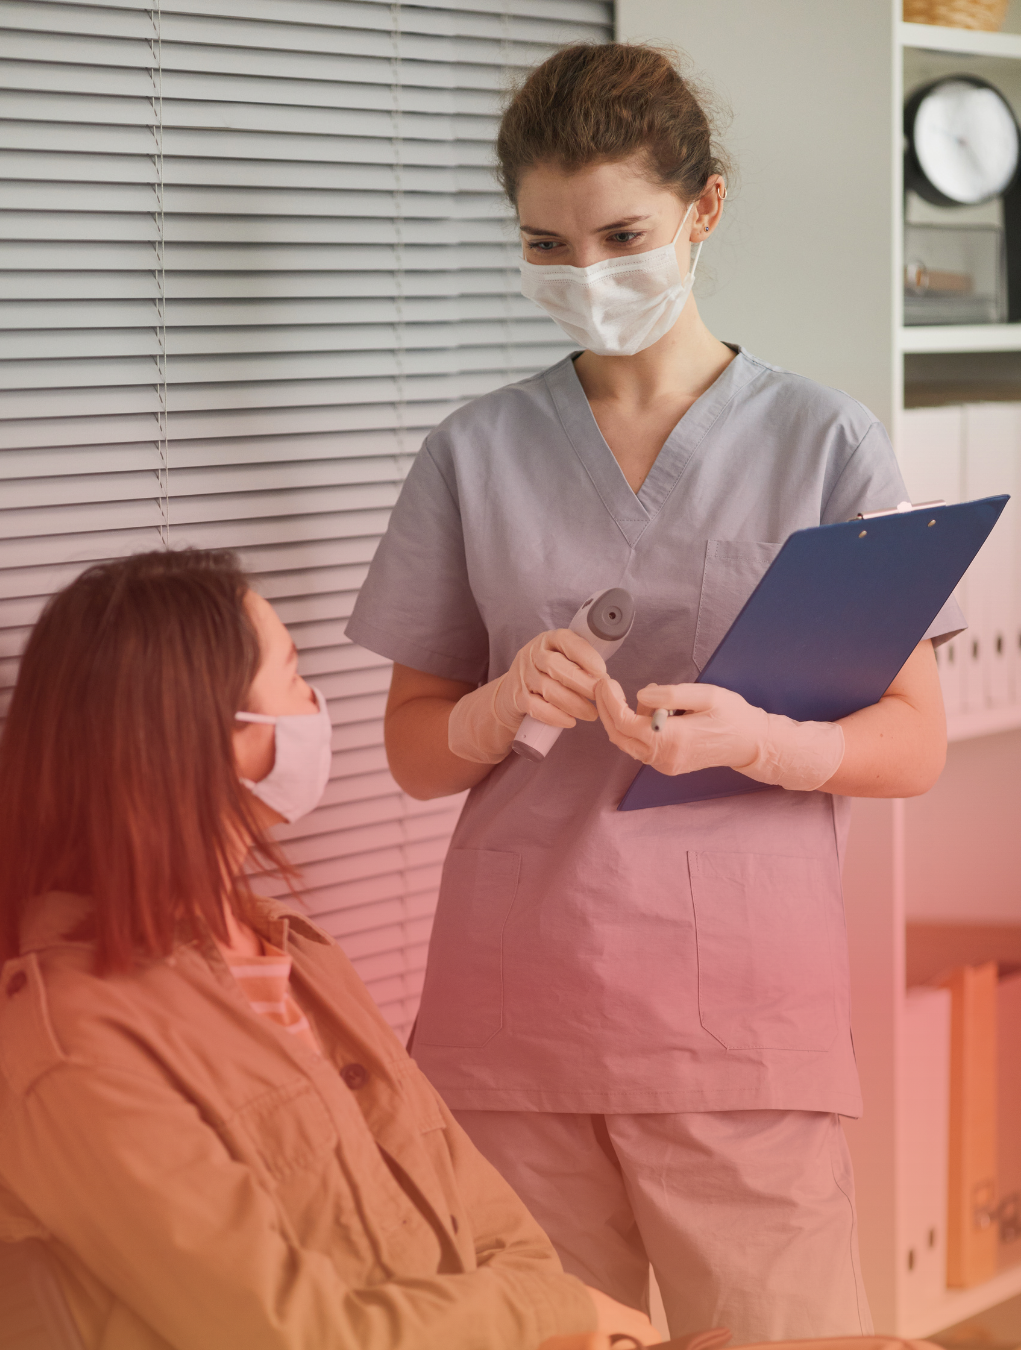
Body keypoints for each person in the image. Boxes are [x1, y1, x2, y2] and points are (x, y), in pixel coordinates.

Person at [344, 42, 965, 1345]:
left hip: (739, 1027)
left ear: (705, 209)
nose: (587, 276)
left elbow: (913, 742)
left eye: (620, 234)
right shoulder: (472, 453)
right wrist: (496, 705)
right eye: (547, 245)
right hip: (513, 1021)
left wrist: (774, 739)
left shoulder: (824, 441)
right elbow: (414, 749)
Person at [0, 548, 661, 1350]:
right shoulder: (78, 1051)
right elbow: (291, 1333)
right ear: (219, 737)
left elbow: (480, 1210)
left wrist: (560, 1317)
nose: (316, 706)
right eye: (293, 679)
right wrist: (553, 1315)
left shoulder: (294, 954)